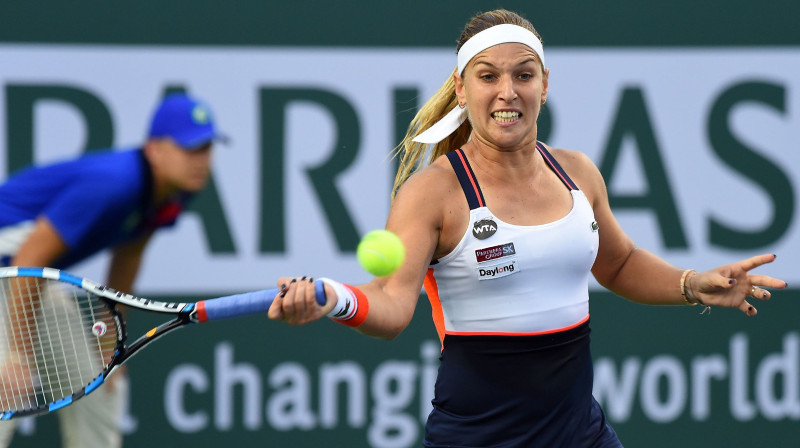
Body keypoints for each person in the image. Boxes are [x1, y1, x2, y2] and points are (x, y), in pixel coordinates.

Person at [268, 9, 787, 447]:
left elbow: (620, 263)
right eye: (488, 76)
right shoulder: (433, 194)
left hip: (581, 433)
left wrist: (691, 284)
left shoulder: (578, 173)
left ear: (545, 84)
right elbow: (390, 305)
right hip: (478, 438)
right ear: (462, 87)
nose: (507, 92)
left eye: (524, 74)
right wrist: (332, 297)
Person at [0, 93, 225, 448]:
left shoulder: (175, 191)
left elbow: (130, 252)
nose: (200, 160)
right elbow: (26, 260)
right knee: (6, 389)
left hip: (27, 278)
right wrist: (16, 354)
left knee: (99, 382)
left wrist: (109, 346)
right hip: (15, 273)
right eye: (189, 148)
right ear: (154, 150)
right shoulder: (113, 183)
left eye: (206, 148)